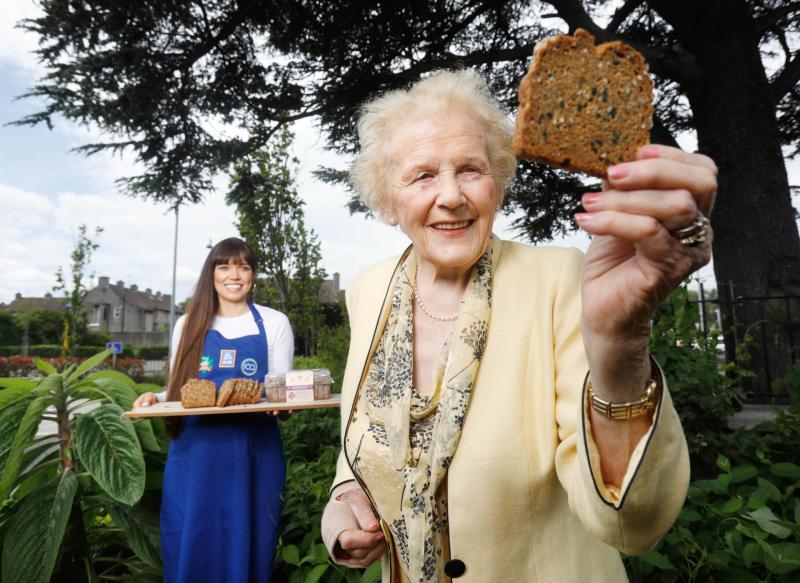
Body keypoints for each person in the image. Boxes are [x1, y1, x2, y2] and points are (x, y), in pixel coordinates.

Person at [320, 70, 716, 582]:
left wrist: (623, 347)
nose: (451, 195)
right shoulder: (369, 291)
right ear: (387, 203)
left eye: (470, 169)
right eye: (422, 176)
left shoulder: (556, 280)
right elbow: (365, 440)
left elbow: (630, 523)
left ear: (498, 183)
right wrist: (343, 502)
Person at [133, 237, 294, 583]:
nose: (234, 275)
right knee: (192, 540)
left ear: (253, 275)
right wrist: (155, 399)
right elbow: (181, 391)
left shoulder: (274, 322)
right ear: (212, 274)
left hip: (253, 453)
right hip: (196, 455)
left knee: (250, 542)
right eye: (224, 266)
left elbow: (283, 394)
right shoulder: (188, 324)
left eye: (243, 267)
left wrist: (282, 410)